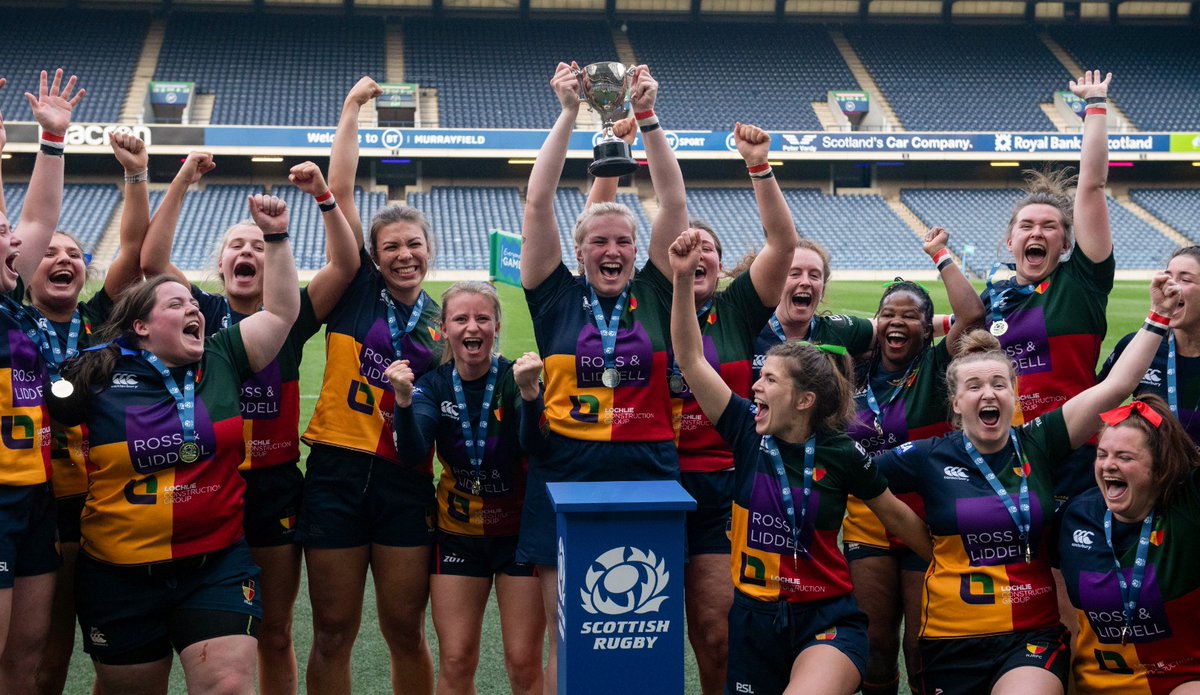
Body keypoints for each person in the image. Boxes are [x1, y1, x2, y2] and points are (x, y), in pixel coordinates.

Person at [873, 274, 1179, 695]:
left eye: (1000, 384)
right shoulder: (928, 455)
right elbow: (861, 479)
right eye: (975, 386)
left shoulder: (1039, 440)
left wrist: (1158, 317)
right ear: (956, 401)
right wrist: (920, 538)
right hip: (948, 636)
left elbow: (1116, 387)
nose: (989, 394)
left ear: (1015, 394)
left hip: (1030, 637)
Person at [668, 228, 932, 695]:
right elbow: (690, 358)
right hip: (753, 621)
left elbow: (897, 517)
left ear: (806, 399)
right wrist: (683, 280)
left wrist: (948, 563)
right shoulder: (745, 430)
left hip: (827, 619)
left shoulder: (842, 453)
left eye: (769, 380)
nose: (754, 388)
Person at [53, 194, 299, 695]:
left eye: (193, 304)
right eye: (176, 304)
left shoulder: (224, 355)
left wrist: (275, 236)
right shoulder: (100, 372)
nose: (194, 310)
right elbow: (51, 400)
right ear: (140, 326)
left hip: (215, 564)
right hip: (119, 573)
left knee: (228, 686)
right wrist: (77, 363)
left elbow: (282, 311)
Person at [586, 119, 793, 694]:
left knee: (715, 631)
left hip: (719, 487)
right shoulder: (647, 299)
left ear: (724, 266)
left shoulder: (739, 309)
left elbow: (782, 245)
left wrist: (759, 166)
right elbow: (601, 229)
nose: (696, 252)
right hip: (645, 476)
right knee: (632, 627)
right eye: (686, 245)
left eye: (709, 248)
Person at [139, 159, 359, 695]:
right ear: (219, 264)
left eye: (259, 246)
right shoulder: (199, 313)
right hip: (203, 484)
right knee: (206, 630)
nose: (248, 251)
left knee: (275, 633)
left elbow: (347, 264)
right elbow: (152, 261)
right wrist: (184, 179)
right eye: (237, 245)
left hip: (275, 487)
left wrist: (323, 197)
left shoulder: (293, 316)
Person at [518, 61, 688, 693]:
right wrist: (566, 113)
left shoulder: (654, 288)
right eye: (599, 242)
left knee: (646, 625)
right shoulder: (553, 295)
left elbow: (673, 202)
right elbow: (538, 200)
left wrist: (647, 120)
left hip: (647, 468)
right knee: (572, 628)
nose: (612, 251)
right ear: (579, 249)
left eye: (622, 241)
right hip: (564, 468)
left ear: (636, 250)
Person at [298, 75, 444, 695]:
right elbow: (345, 189)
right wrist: (352, 108)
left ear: (428, 251)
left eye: (414, 244)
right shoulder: (356, 286)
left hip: (405, 479)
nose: (404, 255)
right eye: (392, 247)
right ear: (375, 255)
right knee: (333, 629)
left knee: (404, 629)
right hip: (334, 471)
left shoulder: (445, 322)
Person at [842, 228, 985, 695]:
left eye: (910, 316)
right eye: (888, 314)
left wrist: (940, 254)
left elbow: (972, 314)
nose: (897, 323)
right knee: (876, 642)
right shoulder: (851, 370)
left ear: (929, 327)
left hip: (926, 520)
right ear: (875, 322)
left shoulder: (936, 365)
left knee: (921, 642)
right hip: (867, 520)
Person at [32, 132, 150, 695]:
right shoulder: (11, 322)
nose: (64, 260)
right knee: (43, 652)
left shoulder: (97, 323)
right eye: (50, 252)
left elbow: (132, 249)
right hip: (34, 499)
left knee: (113, 651)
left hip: (101, 501)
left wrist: (135, 175)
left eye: (74, 254)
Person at [388, 282, 546, 695]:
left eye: (482, 318)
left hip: (518, 539)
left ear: (496, 326)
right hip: (457, 538)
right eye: (460, 318)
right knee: (456, 659)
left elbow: (534, 445)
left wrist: (531, 396)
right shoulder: (431, 385)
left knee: (523, 662)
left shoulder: (515, 378)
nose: (472, 327)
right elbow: (413, 452)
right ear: (443, 329)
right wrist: (403, 404)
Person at [0, 68, 83, 693]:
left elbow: (38, 216)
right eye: (5, 237)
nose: (18, 243)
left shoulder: (12, 307)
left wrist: (51, 142)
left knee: (23, 662)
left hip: (32, 496)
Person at [1056, 394, 1200, 694]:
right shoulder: (1078, 516)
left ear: (1160, 468)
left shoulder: (1189, 507)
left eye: (1125, 457)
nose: (1109, 465)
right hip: (1097, 684)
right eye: (1102, 454)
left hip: (1182, 680)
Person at [1099, 246, 1200, 448]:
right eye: (1169, 277)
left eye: (1186, 279)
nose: (1172, 286)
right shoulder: (1136, 347)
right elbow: (1093, 412)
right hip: (1154, 477)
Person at [752, 238, 873, 381]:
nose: (805, 282)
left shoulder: (837, 330)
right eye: (795, 273)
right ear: (775, 282)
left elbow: (889, 330)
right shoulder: (748, 335)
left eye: (814, 275)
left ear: (823, 289)